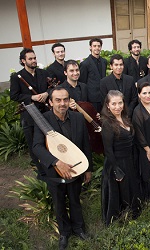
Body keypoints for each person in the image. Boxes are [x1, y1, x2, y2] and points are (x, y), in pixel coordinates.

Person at [32, 86, 93, 249]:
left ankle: (79, 228)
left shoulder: (78, 118)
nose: (62, 103)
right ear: (51, 102)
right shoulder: (43, 121)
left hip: (76, 167)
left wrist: (88, 168)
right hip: (54, 171)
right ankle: (64, 233)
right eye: (58, 100)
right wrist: (57, 162)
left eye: (65, 99)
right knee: (59, 203)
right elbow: (37, 147)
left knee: (75, 200)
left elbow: (85, 144)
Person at [101, 90, 141, 226]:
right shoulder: (107, 123)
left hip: (128, 160)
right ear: (107, 105)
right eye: (114, 104)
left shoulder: (125, 117)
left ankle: (131, 212)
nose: (117, 107)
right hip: (116, 163)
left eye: (120, 103)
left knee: (130, 188)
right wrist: (116, 169)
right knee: (119, 191)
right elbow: (108, 150)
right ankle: (119, 218)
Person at [10, 48, 50, 168]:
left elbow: (52, 88)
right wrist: (32, 97)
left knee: (49, 139)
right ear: (23, 61)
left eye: (34, 58)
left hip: (46, 111)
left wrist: (46, 93)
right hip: (30, 114)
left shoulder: (43, 73)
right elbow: (14, 95)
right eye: (30, 59)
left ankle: (50, 162)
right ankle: (39, 166)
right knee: (34, 140)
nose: (34, 61)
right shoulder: (17, 77)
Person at [79, 38, 107, 112]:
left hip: (104, 96)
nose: (97, 48)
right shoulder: (85, 64)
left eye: (99, 46)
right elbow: (82, 83)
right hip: (92, 98)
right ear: (90, 47)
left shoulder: (104, 61)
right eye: (94, 46)